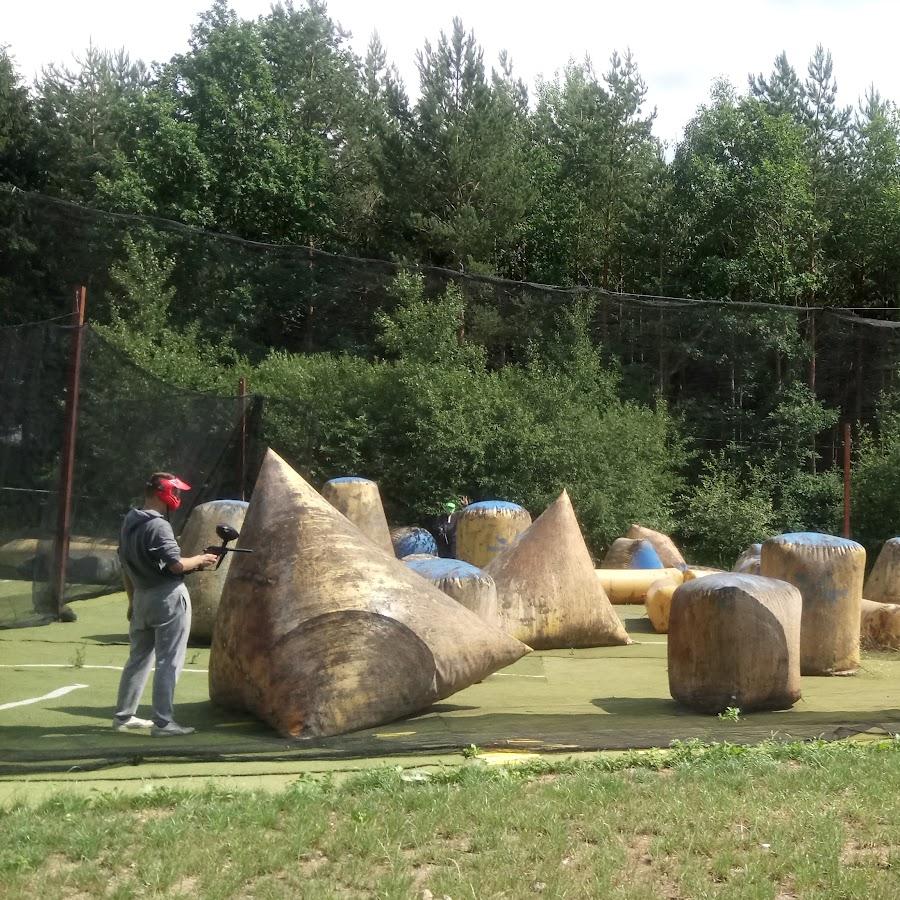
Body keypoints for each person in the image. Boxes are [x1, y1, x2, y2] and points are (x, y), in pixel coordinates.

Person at [112, 472, 218, 737]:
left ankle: (123, 717)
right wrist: (201, 559)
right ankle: (164, 723)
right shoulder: (159, 526)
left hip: (141, 597)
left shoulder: (129, 521)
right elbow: (177, 565)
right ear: (163, 493)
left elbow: (124, 564)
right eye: (176, 491)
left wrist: (132, 599)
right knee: (169, 661)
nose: (179, 496)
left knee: (137, 659)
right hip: (167, 598)